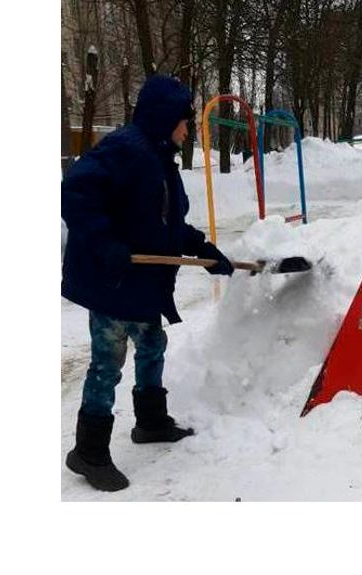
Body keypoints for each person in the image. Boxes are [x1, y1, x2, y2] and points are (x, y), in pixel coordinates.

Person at [61, 75, 234, 491]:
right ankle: (89, 452)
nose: (188, 128)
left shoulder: (159, 159)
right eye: (184, 120)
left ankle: (152, 422)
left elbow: (166, 225)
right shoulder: (127, 148)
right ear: (164, 118)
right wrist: (107, 243)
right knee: (108, 365)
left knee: (153, 346)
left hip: (141, 285)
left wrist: (202, 249)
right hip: (114, 281)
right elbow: (74, 193)